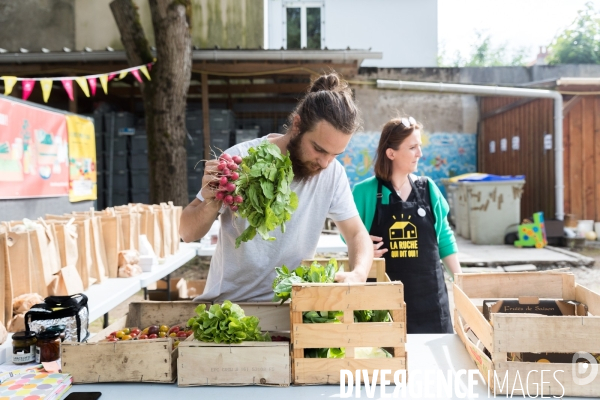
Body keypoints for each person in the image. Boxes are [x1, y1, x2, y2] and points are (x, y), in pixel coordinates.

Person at [180, 72, 374, 302]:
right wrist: (212, 199)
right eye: (319, 149)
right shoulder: (239, 159)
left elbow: (356, 233)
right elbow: (187, 232)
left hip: (292, 308)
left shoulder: (333, 173)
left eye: (335, 154)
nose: (325, 163)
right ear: (297, 125)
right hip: (230, 306)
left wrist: (359, 274)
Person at [351, 116, 461, 333]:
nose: (419, 153)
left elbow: (445, 238)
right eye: (412, 147)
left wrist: (462, 284)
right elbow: (349, 234)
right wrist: (362, 249)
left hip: (431, 303)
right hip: (383, 304)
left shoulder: (429, 189)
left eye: (419, 146)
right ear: (391, 153)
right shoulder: (364, 192)